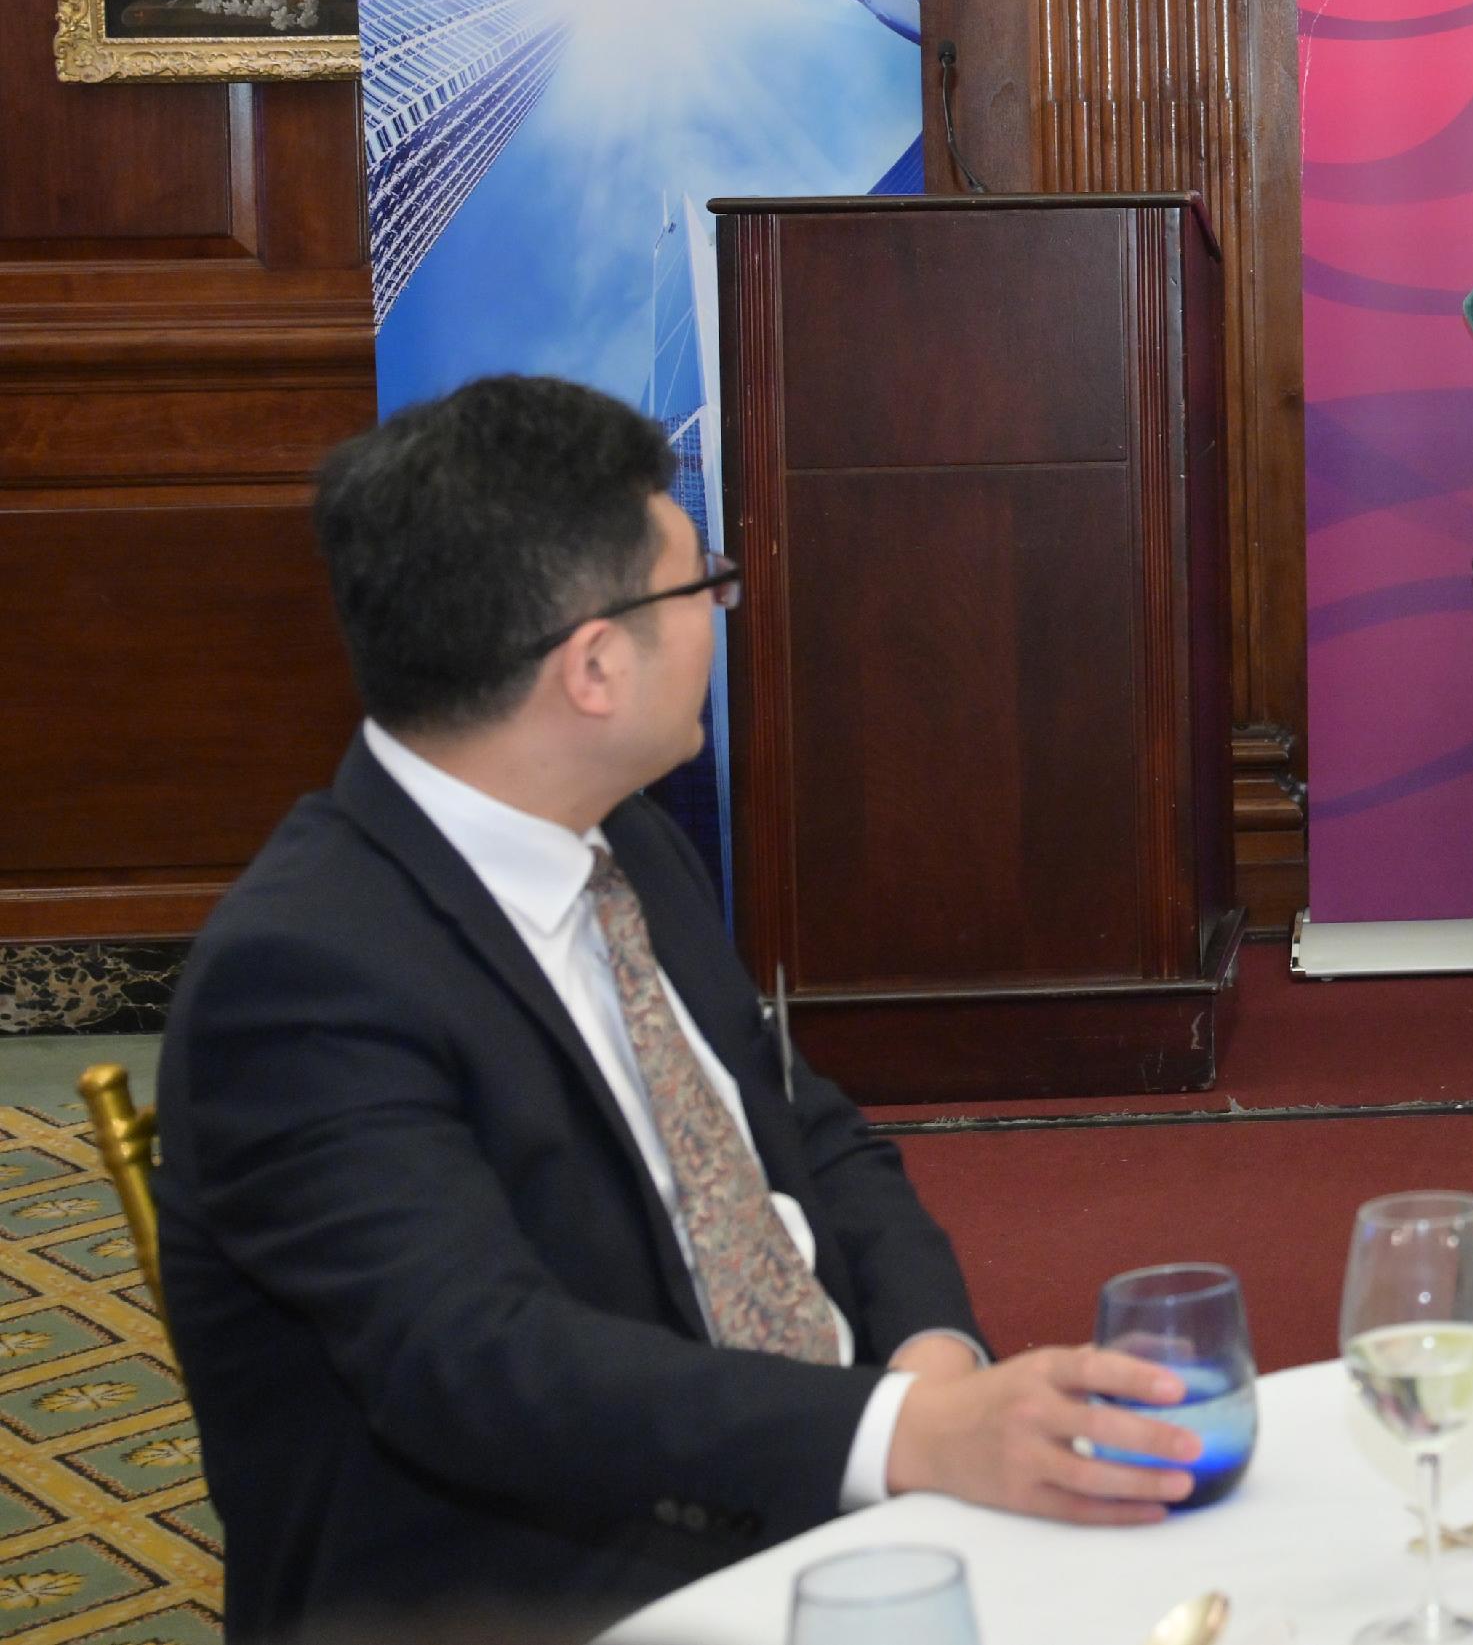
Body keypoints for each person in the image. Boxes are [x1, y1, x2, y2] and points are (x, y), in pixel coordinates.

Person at [158, 376, 1206, 1638]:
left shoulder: (622, 841)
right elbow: (479, 1362)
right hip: (552, 1580)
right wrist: (904, 1433)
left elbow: (805, 1130)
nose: (724, 606)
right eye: (701, 580)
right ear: (594, 664)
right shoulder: (305, 975)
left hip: (807, 1480)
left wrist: (928, 1352)